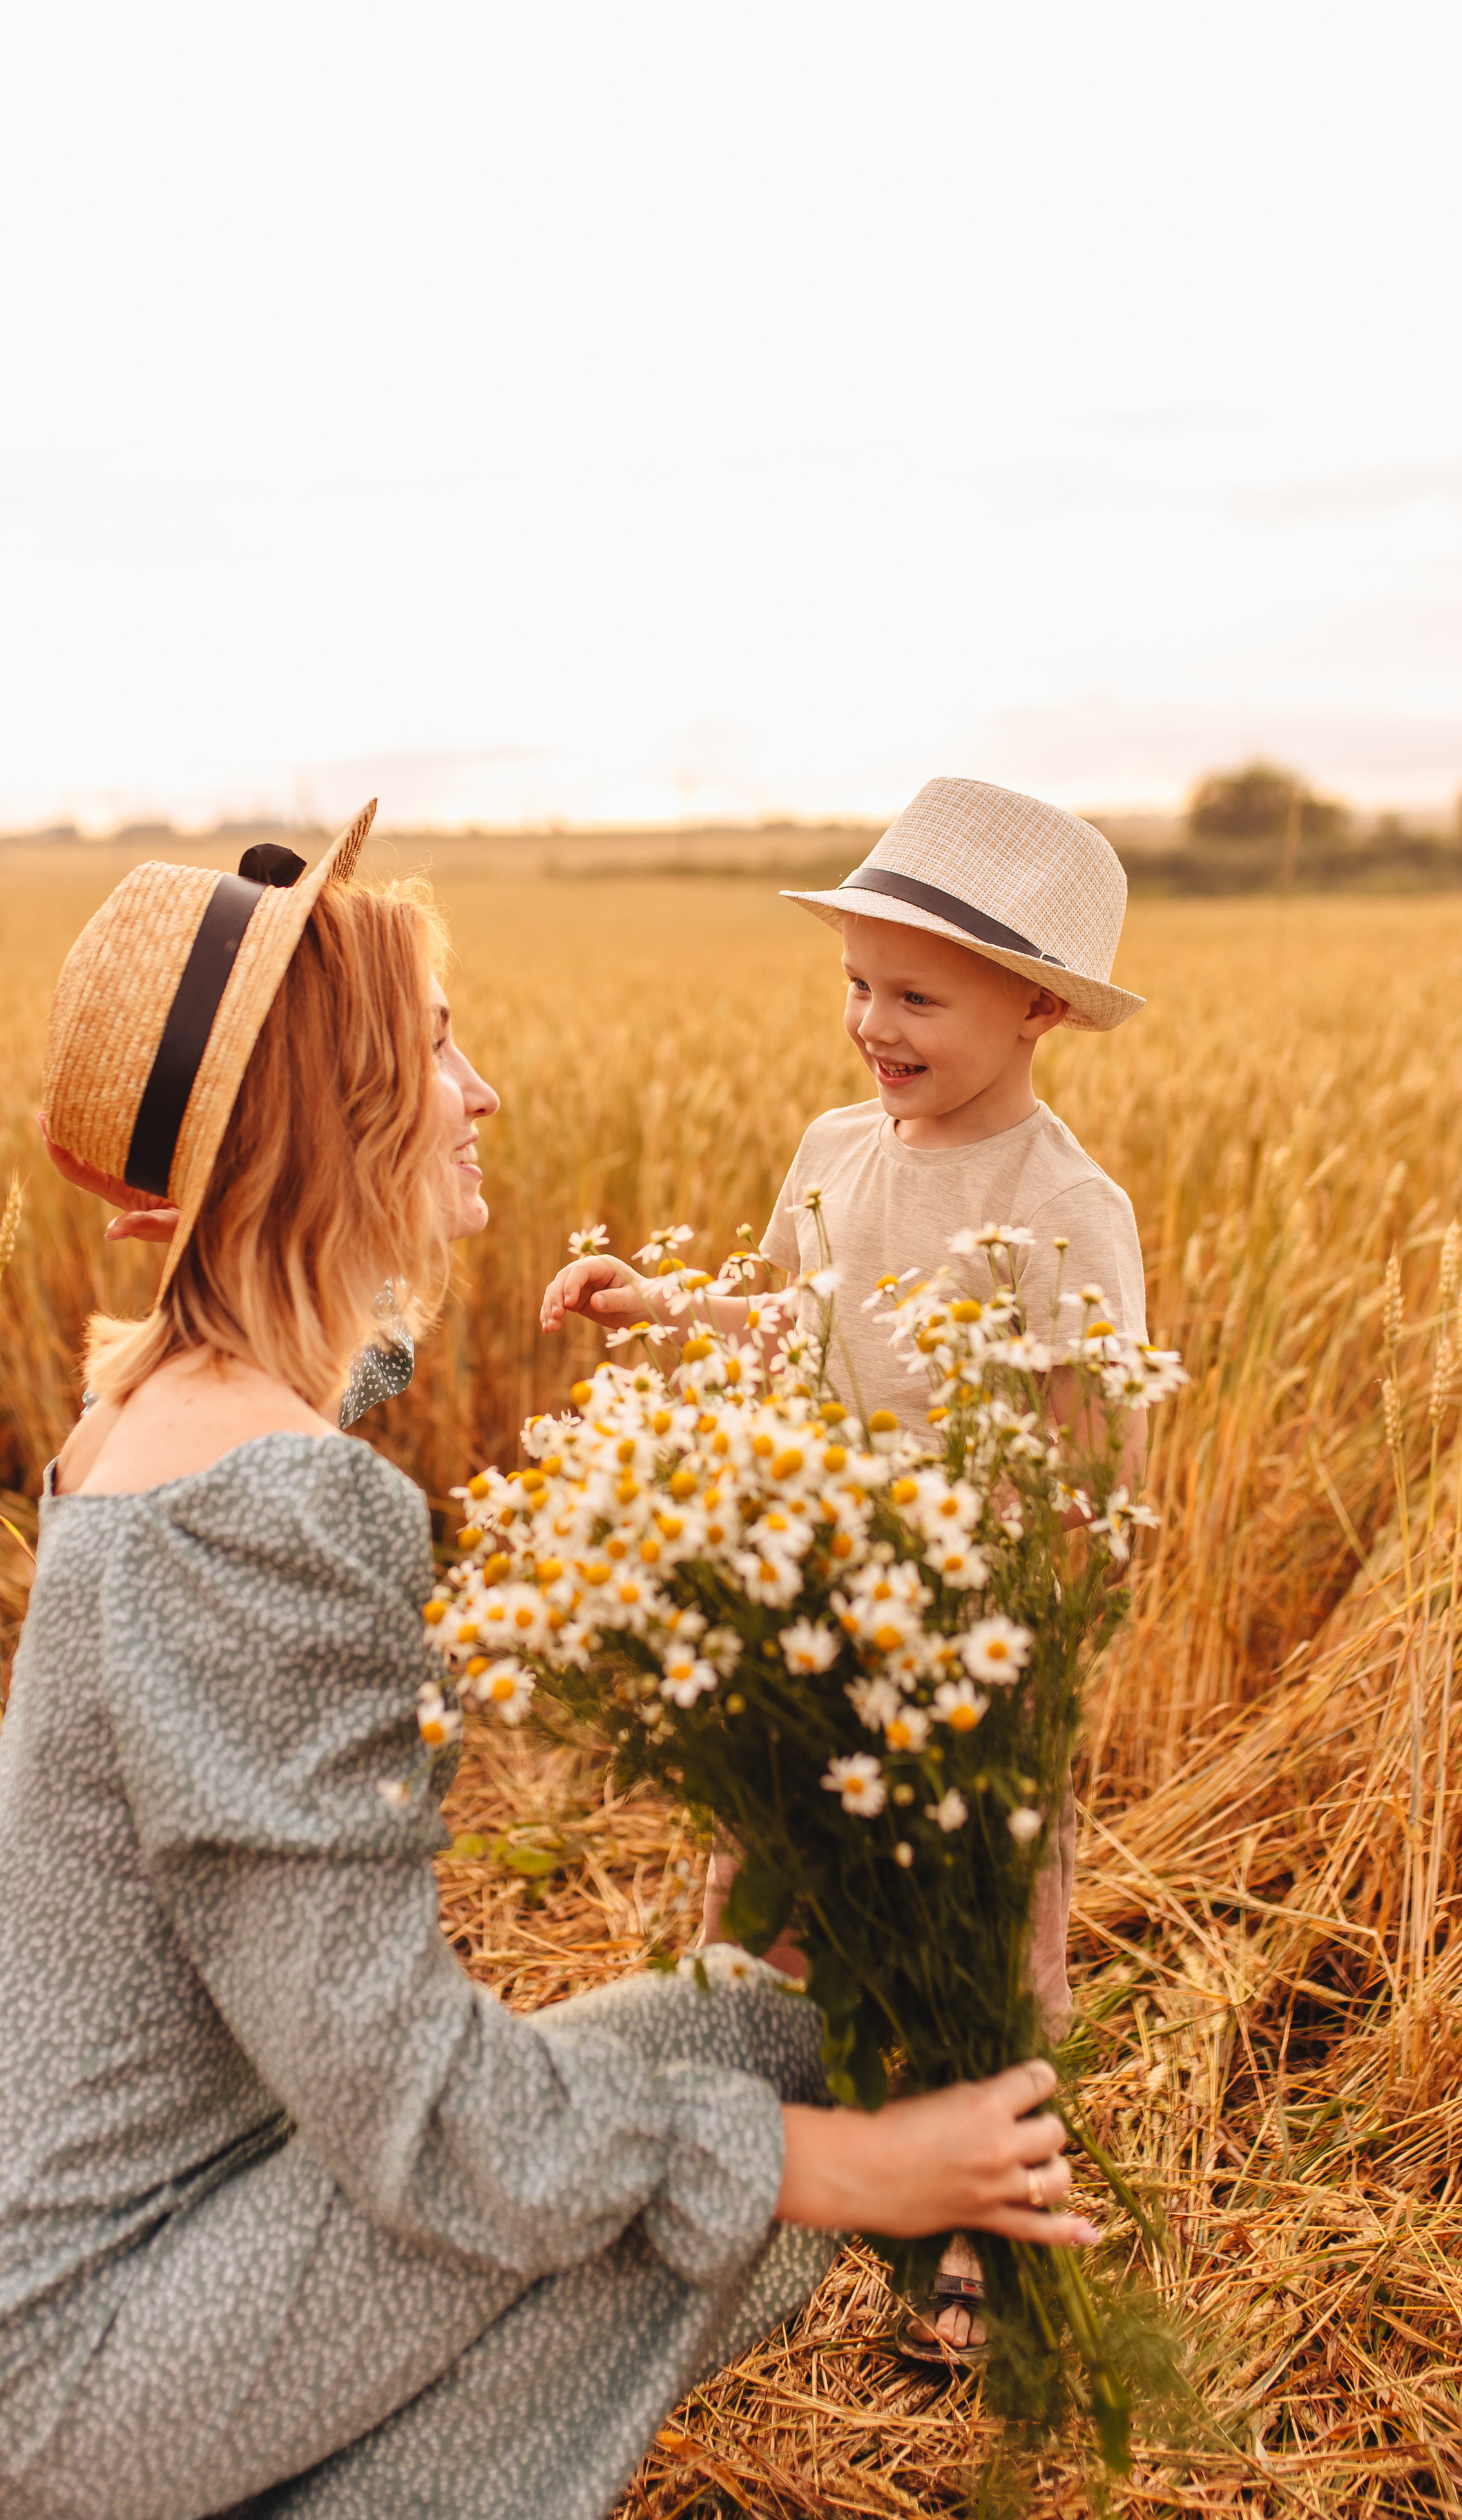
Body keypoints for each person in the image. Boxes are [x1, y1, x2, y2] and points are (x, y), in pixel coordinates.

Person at [0, 803, 1095, 2520]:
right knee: (711, 2151)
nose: (481, 1094)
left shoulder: (167, 1390)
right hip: (35, 2357)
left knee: (732, 2031)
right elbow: (414, 2108)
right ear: (324, 1119)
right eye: (434, 1053)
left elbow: (301, 1339)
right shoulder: (274, 1510)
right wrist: (843, 2171)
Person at [540, 776, 1148, 2357]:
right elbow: (787, 1324)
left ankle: (983, 2225)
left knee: (980, 1921)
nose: (873, 1025)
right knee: (766, 1880)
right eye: (856, 987)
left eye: (917, 996)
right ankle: (736, 2160)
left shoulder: (1063, 1209)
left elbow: (1087, 1454)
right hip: (811, 1597)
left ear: (1036, 1010)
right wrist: (659, 1308)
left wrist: (1015, 1634)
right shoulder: (832, 1147)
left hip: (968, 1624)